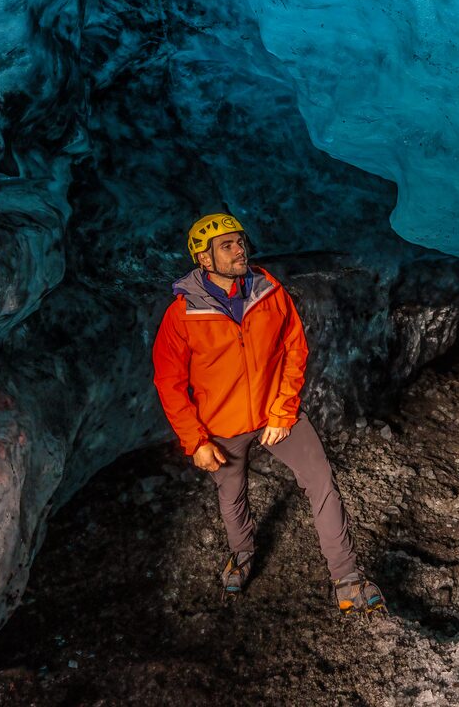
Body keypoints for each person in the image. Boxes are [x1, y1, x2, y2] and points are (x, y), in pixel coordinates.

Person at [151, 212, 386, 615]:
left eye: (239, 241)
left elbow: (295, 349)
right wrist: (195, 441)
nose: (239, 249)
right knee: (232, 494)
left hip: (278, 413)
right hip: (220, 425)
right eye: (226, 245)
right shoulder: (182, 314)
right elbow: (169, 381)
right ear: (204, 260)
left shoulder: (268, 291)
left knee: (322, 480)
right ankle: (242, 555)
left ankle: (346, 577)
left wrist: (281, 412)